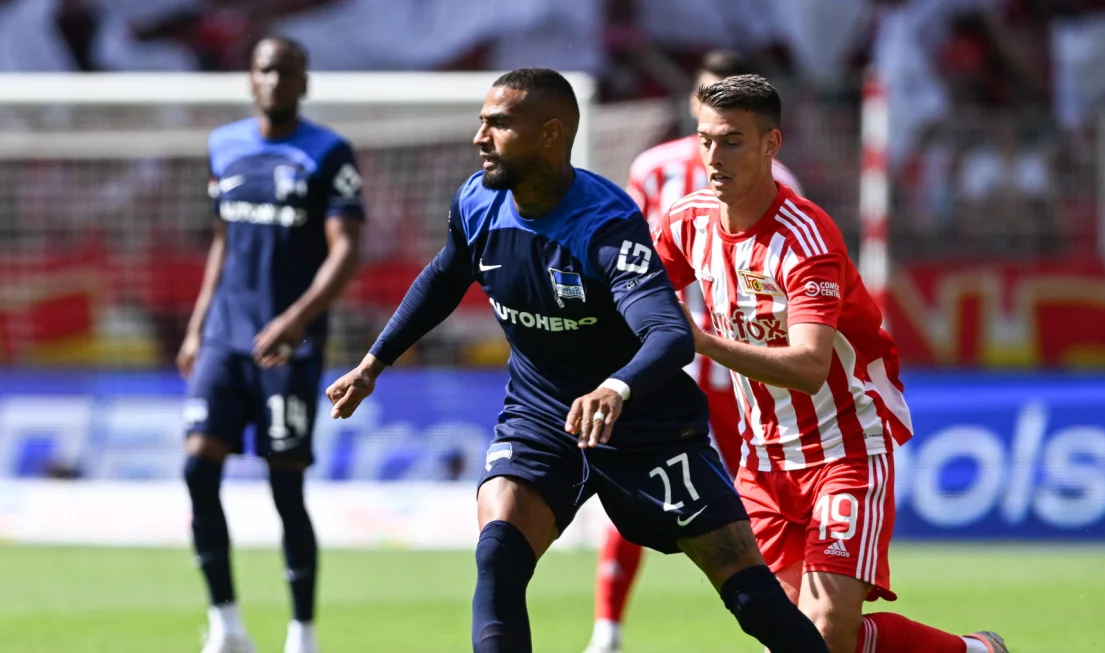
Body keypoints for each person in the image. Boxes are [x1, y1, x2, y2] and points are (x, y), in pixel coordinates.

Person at [324, 67, 830, 653]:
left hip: (646, 426)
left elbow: (668, 334)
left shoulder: (606, 223)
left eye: (499, 124)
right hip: (542, 417)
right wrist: (374, 361)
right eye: (483, 122)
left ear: (550, 134)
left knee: (747, 591)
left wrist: (616, 387)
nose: (480, 137)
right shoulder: (478, 200)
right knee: (498, 554)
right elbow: (445, 276)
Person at [652, 74, 1010, 653]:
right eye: (706, 139)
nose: (713, 157)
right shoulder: (688, 220)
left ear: (772, 145)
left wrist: (704, 343)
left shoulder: (806, 240)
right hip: (763, 459)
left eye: (733, 141)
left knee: (824, 627)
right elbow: (646, 288)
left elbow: (809, 365)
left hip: (845, 446)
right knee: (803, 637)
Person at [584, 49, 805, 653]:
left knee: (756, 499)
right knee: (639, 487)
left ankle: (786, 619)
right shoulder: (653, 169)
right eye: (708, 95)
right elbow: (626, 254)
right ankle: (607, 628)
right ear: (693, 101)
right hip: (660, 363)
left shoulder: (782, 185)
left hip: (737, 371)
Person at [178, 36, 366, 653]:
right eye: (265, 70)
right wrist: (197, 325)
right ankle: (227, 625)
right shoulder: (223, 146)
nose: (275, 80)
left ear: (304, 81)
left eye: (287, 70)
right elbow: (223, 241)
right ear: (250, 79)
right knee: (196, 469)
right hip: (224, 342)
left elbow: (345, 249)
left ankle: (301, 632)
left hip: (288, 350)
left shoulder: (329, 153)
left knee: (286, 487)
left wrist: (298, 319)